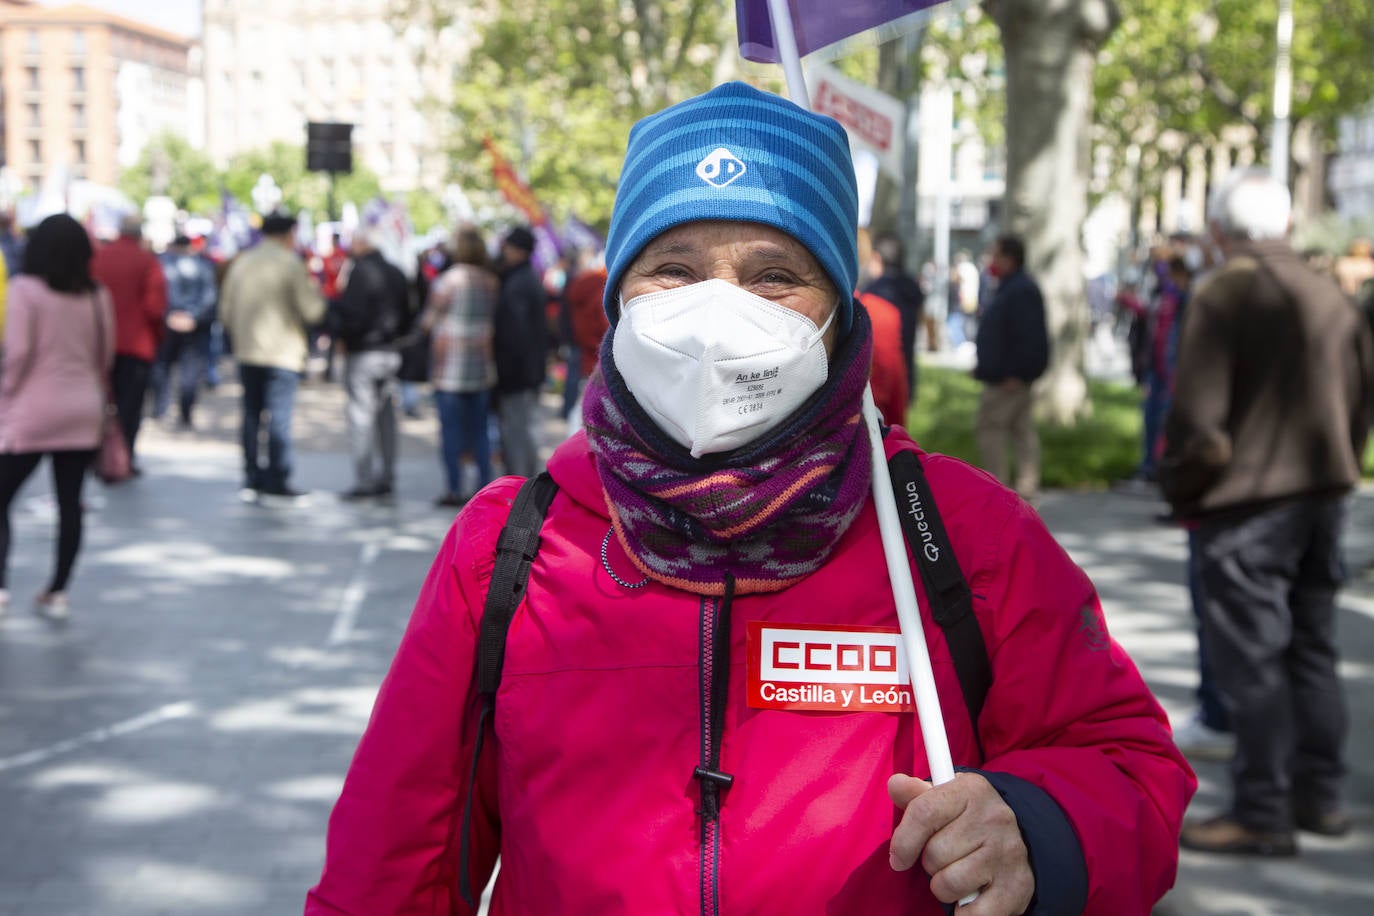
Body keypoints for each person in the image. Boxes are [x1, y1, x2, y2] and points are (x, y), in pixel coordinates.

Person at [307, 82, 1194, 916]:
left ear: (839, 311)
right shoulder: (511, 543)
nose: (716, 311)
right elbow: (395, 860)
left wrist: (1034, 828)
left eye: (774, 274)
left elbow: (1130, 768)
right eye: (672, 267)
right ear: (616, 297)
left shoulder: (958, 534)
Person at [1161, 169, 1374, 857]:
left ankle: (1263, 811)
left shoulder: (1224, 291)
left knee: (1252, 661)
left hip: (1248, 502)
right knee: (1310, 648)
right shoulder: (1331, 294)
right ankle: (1321, 796)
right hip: (1323, 494)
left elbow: (1198, 422)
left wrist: (1183, 489)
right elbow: (1361, 403)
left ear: (1222, 228)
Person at [0, 214, 115, 622]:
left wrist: (7, 394)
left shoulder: (25, 291)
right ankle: (59, 589)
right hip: (83, 411)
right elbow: (105, 356)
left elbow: (17, 354)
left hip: (32, 411)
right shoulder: (97, 295)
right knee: (70, 504)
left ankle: (1, 587)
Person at [219, 211, 325, 504]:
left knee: (252, 415)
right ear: (288, 234)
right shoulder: (291, 264)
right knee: (279, 418)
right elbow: (312, 311)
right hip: (283, 354)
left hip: (248, 351)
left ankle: (252, 475)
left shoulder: (242, 262)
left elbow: (226, 310)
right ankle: (277, 477)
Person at [421, 225, 500, 508]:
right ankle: (484, 487)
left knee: (450, 430)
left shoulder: (447, 281)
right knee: (480, 429)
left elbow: (428, 321)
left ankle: (454, 487)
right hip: (480, 364)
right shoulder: (490, 282)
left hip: (449, 366)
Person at [330, 229, 410, 500]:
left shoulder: (361, 272)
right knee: (386, 416)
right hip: (389, 352)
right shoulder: (395, 272)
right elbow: (410, 311)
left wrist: (342, 332)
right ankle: (387, 474)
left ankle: (365, 480)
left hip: (366, 352)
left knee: (362, 417)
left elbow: (353, 315)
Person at [972, 235, 1049, 501]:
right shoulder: (1010, 287)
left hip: (1009, 379)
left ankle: (1000, 491)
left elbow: (1028, 337)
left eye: (996, 254)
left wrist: (1017, 373)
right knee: (1021, 429)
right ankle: (1025, 490)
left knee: (990, 427)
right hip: (1007, 375)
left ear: (1009, 258)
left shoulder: (1020, 290)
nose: (991, 260)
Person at [91, 213, 167, 473]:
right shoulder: (147, 262)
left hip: (101, 343)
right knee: (130, 407)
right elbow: (154, 308)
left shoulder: (101, 257)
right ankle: (124, 458)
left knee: (101, 402)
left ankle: (97, 455)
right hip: (136, 346)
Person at [492, 226, 548, 478]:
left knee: (518, 429)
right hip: (528, 368)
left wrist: (507, 370)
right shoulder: (525, 279)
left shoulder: (518, 283)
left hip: (518, 371)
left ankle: (520, 483)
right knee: (525, 427)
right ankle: (525, 479)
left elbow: (515, 334)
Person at [150, 235, 218, 430]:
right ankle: (184, 411)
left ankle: (161, 408)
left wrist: (171, 315)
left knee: (163, 366)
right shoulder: (202, 266)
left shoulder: (162, 264)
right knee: (189, 369)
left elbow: (160, 294)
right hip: (189, 323)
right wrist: (193, 317)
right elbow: (209, 296)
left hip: (172, 322)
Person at [863, 231, 924, 405]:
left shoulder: (874, 292)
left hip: (877, 381)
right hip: (905, 371)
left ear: (876, 257)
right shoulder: (912, 287)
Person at [560, 247, 609, 436]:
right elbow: (604, 325)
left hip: (581, 345)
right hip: (596, 352)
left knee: (578, 390)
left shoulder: (577, 287)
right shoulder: (598, 290)